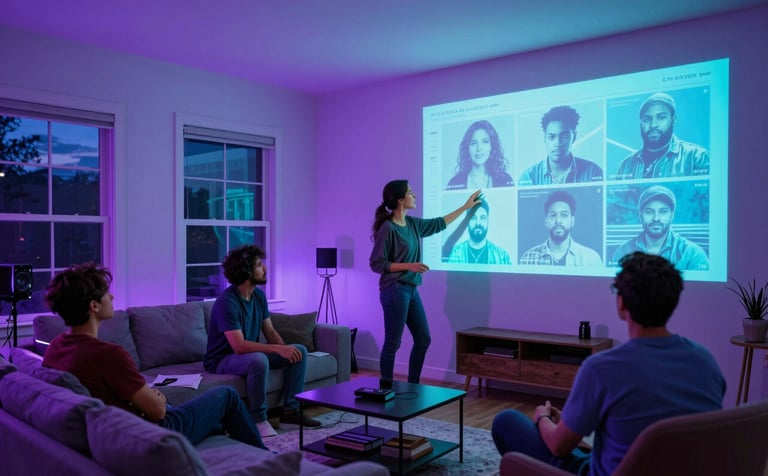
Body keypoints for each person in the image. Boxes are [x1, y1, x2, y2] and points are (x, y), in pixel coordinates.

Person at [492, 252, 725, 476]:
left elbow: (557, 447)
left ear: (621, 304)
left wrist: (542, 417)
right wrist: (570, 420)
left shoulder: (602, 369)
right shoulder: (705, 361)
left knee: (507, 421)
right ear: (673, 301)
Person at [42, 263, 266, 450]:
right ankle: (266, 457)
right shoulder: (109, 355)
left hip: (118, 426)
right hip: (150, 432)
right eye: (105, 293)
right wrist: (154, 397)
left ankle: (227, 444)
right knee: (226, 395)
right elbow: (157, 411)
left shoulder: (56, 347)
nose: (111, 295)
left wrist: (144, 394)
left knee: (212, 420)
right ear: (94, 306)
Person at [204, 245, 321, 439]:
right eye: (259, 265)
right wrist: (276, 349)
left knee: (298, 351)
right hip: (221, 359)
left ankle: (290, 413)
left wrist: (285, 350)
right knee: (258, 360)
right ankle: (258, 420)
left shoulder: (258, 296)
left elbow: (270, 330)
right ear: (246, 271)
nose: (265, 268)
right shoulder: (227, 302)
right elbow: (239, 346)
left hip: (246, 354)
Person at [370, 180, 481, 384]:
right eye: (411, 193)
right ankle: (385, 389)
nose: (414, 195)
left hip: (411, 290)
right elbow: (376, 263)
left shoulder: (412, 224)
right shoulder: (388, 228)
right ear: (401, 200)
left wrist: (466, 207)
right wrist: (408, 266)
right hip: (394, 290)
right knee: (393, 342)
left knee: (423, 339)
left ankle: (413, 386)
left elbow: (439, 223)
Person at [611, 185, 709, 270]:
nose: (656, 218)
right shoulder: (623, 252)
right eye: (649, 211)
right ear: (640, 215)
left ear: (672, 215)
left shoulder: (692, 254)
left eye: (663, 211)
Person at [615, 92, 709, 179]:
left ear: (673, 119)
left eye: (661, 117)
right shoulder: (626, 165)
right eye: (647, 119)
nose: (653, 125)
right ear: (641, 124)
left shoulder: (697, 157)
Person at [519, 106, 603, 185]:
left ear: (574, 137)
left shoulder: (593, 172)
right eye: (552, 137)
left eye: (564, 136)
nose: (558, 143)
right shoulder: (529, 177)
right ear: (545, 139)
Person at [519, 190, 602, 266]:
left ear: (572, 221)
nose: (558, 220)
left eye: (564, 215)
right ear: (546, 221)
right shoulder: (527, 258)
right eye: (553, 215)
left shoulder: (591, 259)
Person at [446, 120, 514, 190]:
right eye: (473, 143)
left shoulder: (505, 180)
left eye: (485, 142)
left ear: (492, 146)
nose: (479, 148)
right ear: (467, 149)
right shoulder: (455, 182)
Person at [446, 200, 511, 264]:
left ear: (488, 221)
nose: (478, 223)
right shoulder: (455, 253)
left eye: (482, 218)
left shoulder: (502, 257)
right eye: (473, 218)